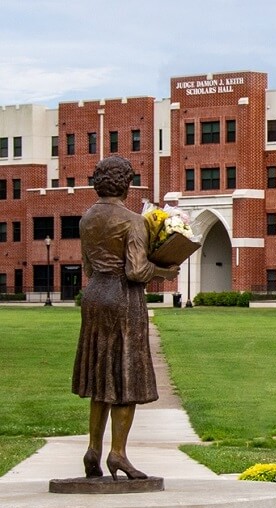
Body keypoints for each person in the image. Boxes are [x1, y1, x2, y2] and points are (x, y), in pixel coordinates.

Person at [71, 155, 178, 480]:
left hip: (94, 296)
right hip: (123, 298)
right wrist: (165, 270)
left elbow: (88, 266)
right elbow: (135, 270)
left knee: (101, 373)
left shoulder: (86, 219)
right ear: (127, 184)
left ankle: (93, 449)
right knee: (124, 375)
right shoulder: (133, 221)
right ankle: (117, 453)